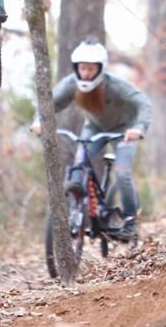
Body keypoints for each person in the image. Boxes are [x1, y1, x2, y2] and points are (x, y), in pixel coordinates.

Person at [32, 41, 151, 239]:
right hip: (94, 128)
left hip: (124, 130)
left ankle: (130, 222)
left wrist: (138, 128)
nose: (86, 73)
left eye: (91, 69)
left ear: (100, 68)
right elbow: (49, 104)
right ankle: (75, 213)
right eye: (82, 68)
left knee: (122, 173)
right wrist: (38, 121)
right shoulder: (72, 84)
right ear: (76, 68)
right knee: (78, 166)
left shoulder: (114, 85)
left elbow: (143, 103)